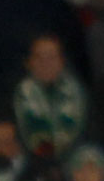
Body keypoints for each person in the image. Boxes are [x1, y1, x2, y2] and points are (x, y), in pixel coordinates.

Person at [12, 33, 87, 163]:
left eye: (52, 57)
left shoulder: (78, 93)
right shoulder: (16, 95)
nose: (45, 63)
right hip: (29, 163)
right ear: (28, 62)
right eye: (39, 57)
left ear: (62, 61)